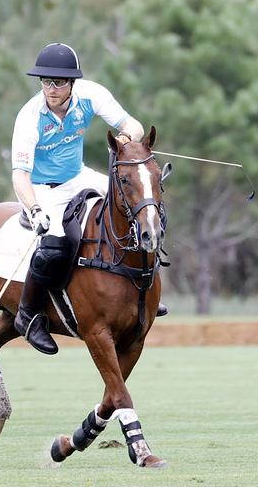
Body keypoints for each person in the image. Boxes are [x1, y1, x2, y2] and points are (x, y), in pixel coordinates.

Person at [11, 42, 166, 355]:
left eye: (59, 82)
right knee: (56, 245)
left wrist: (127, 137)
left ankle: (145, 289)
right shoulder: (30, 117)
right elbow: (19, 176)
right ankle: (29, 315)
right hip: (44, 187)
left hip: (78, 175)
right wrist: (36, 208)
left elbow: (132, 125)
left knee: (140, 205)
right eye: (45, 81)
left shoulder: (92, 95)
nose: (51, 89)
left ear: (73, 83)